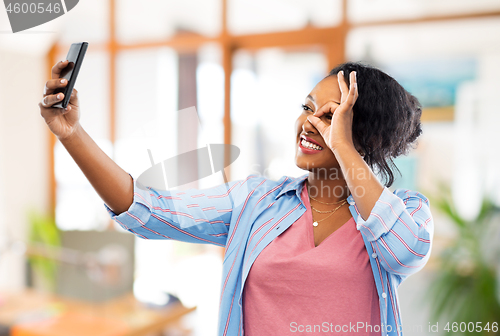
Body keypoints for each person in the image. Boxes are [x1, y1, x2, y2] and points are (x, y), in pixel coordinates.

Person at [39, 60, 433, 336]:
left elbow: (405, 252)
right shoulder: (256, 202)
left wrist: (344, 148)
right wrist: (70, 133)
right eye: (307, 108)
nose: (307, 122)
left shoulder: (406, 212)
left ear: (364, 135)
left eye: (331, 116)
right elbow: (146, 210)